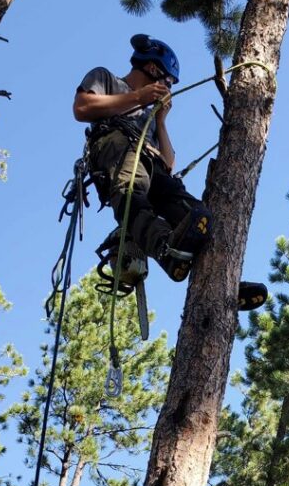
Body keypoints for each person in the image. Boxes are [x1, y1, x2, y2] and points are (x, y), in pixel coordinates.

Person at [73, 34, 266, 310]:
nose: (168, 88)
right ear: (153, 70)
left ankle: (225, 279)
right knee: (132, 191)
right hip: (117, 147)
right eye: (168, 82)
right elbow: (82, 107)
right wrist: (138, 97)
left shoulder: (149, 116)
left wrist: (161, 122)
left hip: (152, 164)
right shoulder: (106, 78)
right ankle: (165, 248)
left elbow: (169, 162)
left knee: (194, 211)